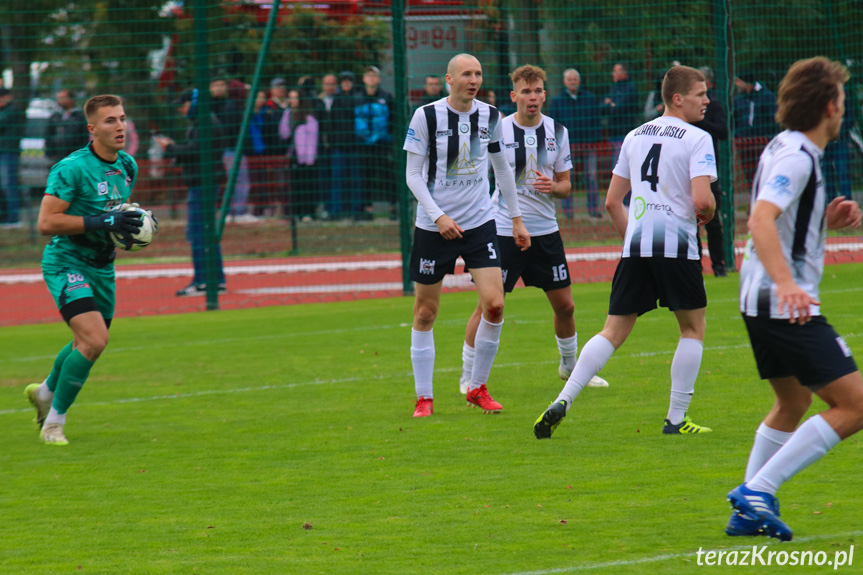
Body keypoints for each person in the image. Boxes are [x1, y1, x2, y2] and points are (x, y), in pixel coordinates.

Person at [534, 66, 717, 439]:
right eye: (701, 94)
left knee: (613, 330)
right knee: (692, 328)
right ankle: (676, 419)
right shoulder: (698, 138)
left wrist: (632, 238)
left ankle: (565, 398)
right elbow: (701, 199)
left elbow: (611, 201)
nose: (707, 100)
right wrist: (709, 210)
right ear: (678, 98)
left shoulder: (634, 135)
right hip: (677, 246)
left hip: (636, 247)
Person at [725, 57, 863, 542]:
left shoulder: (784, 145)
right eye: (842, 102)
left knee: (793, 400)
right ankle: (759, 490)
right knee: (856, 405)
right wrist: (787, 284)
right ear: (829, 106)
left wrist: (820, 218)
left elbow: (781, 219)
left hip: (755, 299)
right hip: (783, 303)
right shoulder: (798, 155)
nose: (843, 111)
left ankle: (746, 509)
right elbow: (760, 220)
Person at [459, 64, 609, 395]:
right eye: (526, 91)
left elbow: (567, 186)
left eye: (538, 90)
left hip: (545, 231)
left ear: (545, 94)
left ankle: (569, 368)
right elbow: (471, 173)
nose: (533, 97)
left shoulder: (558, 130)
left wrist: (553, 187)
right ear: (514, 96)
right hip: (503, 229)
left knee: (566, 306)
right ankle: (468, 376)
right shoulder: (495, 129)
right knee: (488, 305)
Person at [404, 53, 530, 417]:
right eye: (466, 74)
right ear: (449, 79)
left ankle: (477, 387)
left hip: (479, 224)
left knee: (495, 304)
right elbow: (413, 175)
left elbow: (502, 169)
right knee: (426, 313)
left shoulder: (492, 115)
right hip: (434, 227)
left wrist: (516, 219)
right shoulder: (426, 116)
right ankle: (424, 398)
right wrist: (438, 216)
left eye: (478, 73)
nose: (473, 79)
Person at [24, 94, 144, 445]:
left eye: (121, 118)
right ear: (92, 129)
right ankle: (54, 423)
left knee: (86, 341)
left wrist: (130, 230)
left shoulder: (128, 166)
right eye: (110, 121)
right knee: (94, 340)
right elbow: (47, 222)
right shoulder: (71, 168)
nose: (119, 126)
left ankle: (45, 391)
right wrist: (104, 219)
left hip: (103, 267)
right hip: (66, 262)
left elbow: (115, 217)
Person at [154, 89, 227, 297]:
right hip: (204, 183)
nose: (180, 108)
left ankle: (203, 281)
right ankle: (216, 279)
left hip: (202, 185)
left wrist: (171, 148)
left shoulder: (205, 123)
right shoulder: (205, 122)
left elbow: (195, 151)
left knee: (198, 234)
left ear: (194, 103)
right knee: (206, 233)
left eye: (184, 104)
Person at [548, 68, 603, 218]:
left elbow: (596, 121)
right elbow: (554, 124)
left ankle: (593, 209)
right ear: (565, 82)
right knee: (566, 178)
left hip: (587, 145)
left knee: (591, 176)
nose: (573, 82)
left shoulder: (590, 98)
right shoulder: (557, 101)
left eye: (575, 80)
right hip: (567, 147)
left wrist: (593, 140)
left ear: (579, 81)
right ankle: (568, 212)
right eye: (570, 80)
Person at [693, 66, 728, 277]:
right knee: (689, 221)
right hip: (688, 172)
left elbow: (722, 131)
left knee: (712, 219)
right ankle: (695, 264)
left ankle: (719, 265)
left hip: (708, 170)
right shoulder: (683, 111)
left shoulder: (713, 105)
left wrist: (701, 122)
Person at [210, 77, 254, 223]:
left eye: (222, 85)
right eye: (216, 85)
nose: (220, 88)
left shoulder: (227, 105)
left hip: (228, 149)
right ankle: (237, 212)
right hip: (230, 149)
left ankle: (232, 212)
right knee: (239, 180)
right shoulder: (229, 106)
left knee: (233, 180)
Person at [355, 65, 395, 220]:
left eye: (374, 75)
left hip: (383, 144)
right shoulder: (357, 98)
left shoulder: (387, 97)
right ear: (364, 79)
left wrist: (387, 135)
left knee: (388, 175)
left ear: (378, 79)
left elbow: (393, 119)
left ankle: (393, 207)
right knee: (366, 176)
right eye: (368, 75)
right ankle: (367, 209)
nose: (371, 78)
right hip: (364, 145)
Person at [279, 88, 319, 221]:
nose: (292, 100)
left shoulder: (309, 118)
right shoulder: (288, 114)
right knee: (295, 185)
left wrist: (309, 159)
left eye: (295, 97)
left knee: (307, 185)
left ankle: (309, 212)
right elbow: (284, 134)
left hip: (306, 158)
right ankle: (297, 212)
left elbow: (312, 141)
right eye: (291, 97)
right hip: (293, 155)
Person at [332, 71, 361, 219]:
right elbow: (331, 122)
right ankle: (336, 210)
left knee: (355, 179)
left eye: (348, 81)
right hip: (339, 146)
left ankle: (356, 210)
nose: (346, 84)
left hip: (355, 146)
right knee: (337, 178)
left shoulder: (357, 99)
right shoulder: (336, 100)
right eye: (343, 81)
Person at [602, 63, 640, 162]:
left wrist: (611, 104)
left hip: (625, 131)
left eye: (615, 71)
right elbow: (603, 106)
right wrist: (611, 104)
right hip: (613, 131)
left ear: (624, 73)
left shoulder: (630, 88)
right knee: (615, 161)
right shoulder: (613, 87)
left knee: (620, 162)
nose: (612, 74)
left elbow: (619, 108)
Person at [0, 87, 25, 227]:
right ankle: (5, 216)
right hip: (3, 151)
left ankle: (13, 217)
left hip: (8, 152)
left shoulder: (12, 110)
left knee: (9, 185)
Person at [46, 89, 90, 164]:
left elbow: (84, 138)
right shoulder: (55, 116)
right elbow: (48, 135)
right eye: (58, 98)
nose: (59, 100)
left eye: (62, 98)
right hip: (57, 158)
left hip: (74, 158)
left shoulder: (80, 117)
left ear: (71, 100)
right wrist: (50, 154)